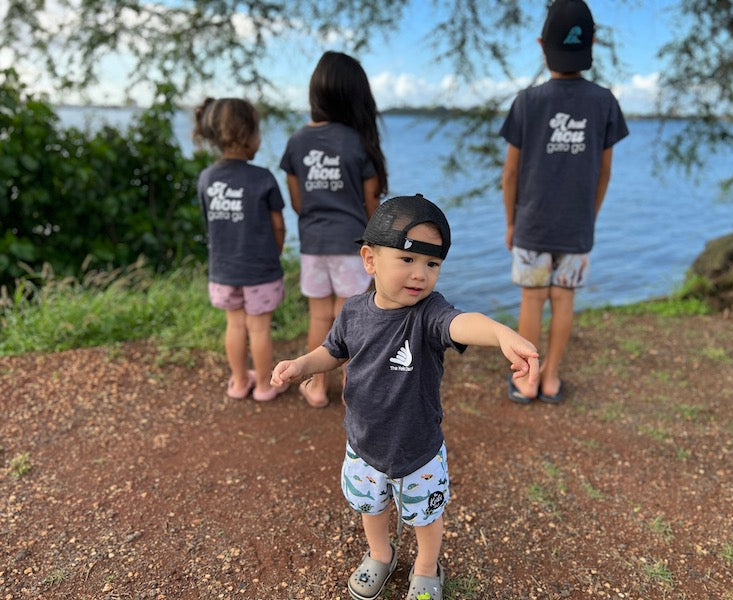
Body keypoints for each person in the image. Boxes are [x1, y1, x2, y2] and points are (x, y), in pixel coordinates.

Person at [271, 195, 539, 600]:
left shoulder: (429, 314)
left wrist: (501, 333)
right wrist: (304, 365)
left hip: (419, 450)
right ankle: (381, 555)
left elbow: (462, 323)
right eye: (408, 260)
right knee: (371, 509)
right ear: (370, 259)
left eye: (432, 264)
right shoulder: (353, 311)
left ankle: (427, 566)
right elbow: (334, 351)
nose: (420, 275)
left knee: (426, 517)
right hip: (363, 445)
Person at [500, 0, 629, 404]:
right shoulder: (604, 101)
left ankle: (528, 380)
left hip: (532, 223)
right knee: (564, 300)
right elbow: (604, 172)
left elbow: (511, 174)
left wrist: (510, 223)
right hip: (577, 226)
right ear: (592, 43)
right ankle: (552, 379)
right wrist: (589, 216)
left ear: (542, 44)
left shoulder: (528, 101)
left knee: (532, 301)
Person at [280, 50, 387, 408]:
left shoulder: (296, 141)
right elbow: (372, 204)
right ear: (355, 96)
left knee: (319, 315)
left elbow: (297, 201)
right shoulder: (358, 142)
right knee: (350, 318)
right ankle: (351, 388)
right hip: (351, 243)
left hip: (313, 243)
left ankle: (314, 387)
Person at [193, 97, 289, 402]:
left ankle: (237, 382)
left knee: (234, 325)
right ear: (248, 134)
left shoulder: (207, 178)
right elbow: (278, 226)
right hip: (260, 269)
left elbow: (209, 223)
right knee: (259, 329)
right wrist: (275, 253)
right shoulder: (262, 178)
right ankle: (263, 385)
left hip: (223, 270)